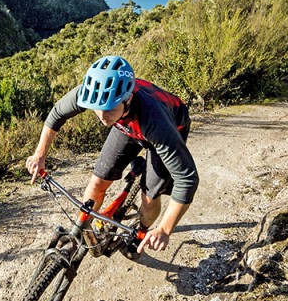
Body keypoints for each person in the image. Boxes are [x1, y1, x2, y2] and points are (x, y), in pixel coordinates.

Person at [25, 55, 198, 257]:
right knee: (96, 184)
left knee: (149, 198)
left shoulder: (155, 120)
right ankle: (85, 229)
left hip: (167, 126)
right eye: (97, 108)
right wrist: (39, 155)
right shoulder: (95, 94)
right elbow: (57, 114)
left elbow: (187, 178)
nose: (102, 116)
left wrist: (165, 229)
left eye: (109, 109)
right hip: (127, 124)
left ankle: (141, 231)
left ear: (128, 99)